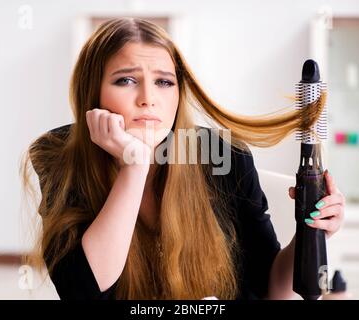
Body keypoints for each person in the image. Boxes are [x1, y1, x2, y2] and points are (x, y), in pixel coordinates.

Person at [21, 18, 345, 300]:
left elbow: (272, 290)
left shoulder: (224, 155)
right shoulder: (59, 154)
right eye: (126, 80)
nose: (148, 99)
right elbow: (83, 291)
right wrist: (135, 165)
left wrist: (309, 233)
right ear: (92, 92)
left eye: (164, 82)